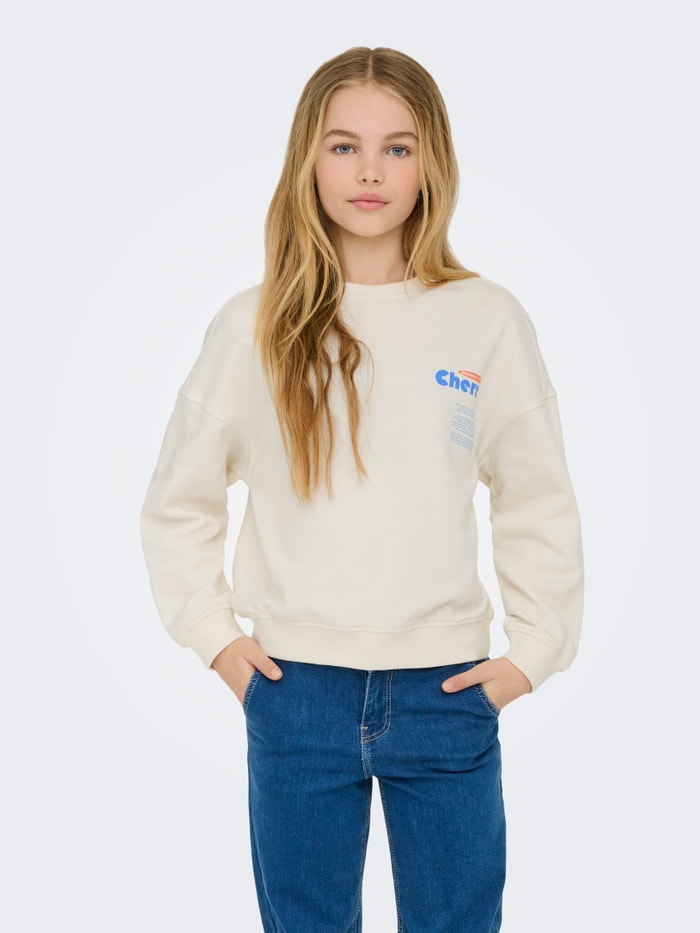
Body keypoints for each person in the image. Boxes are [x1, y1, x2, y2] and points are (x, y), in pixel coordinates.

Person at [141, 46, 583, 933]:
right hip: (295, 689)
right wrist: (217, 640)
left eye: (397, 147)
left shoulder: (486, 320)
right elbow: (178, 501)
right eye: (344, 146)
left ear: (432, 163)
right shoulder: (253, 326)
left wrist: (535, 651)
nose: (370, 172)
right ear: (308, 159)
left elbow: (535, 497)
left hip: (447, 691)